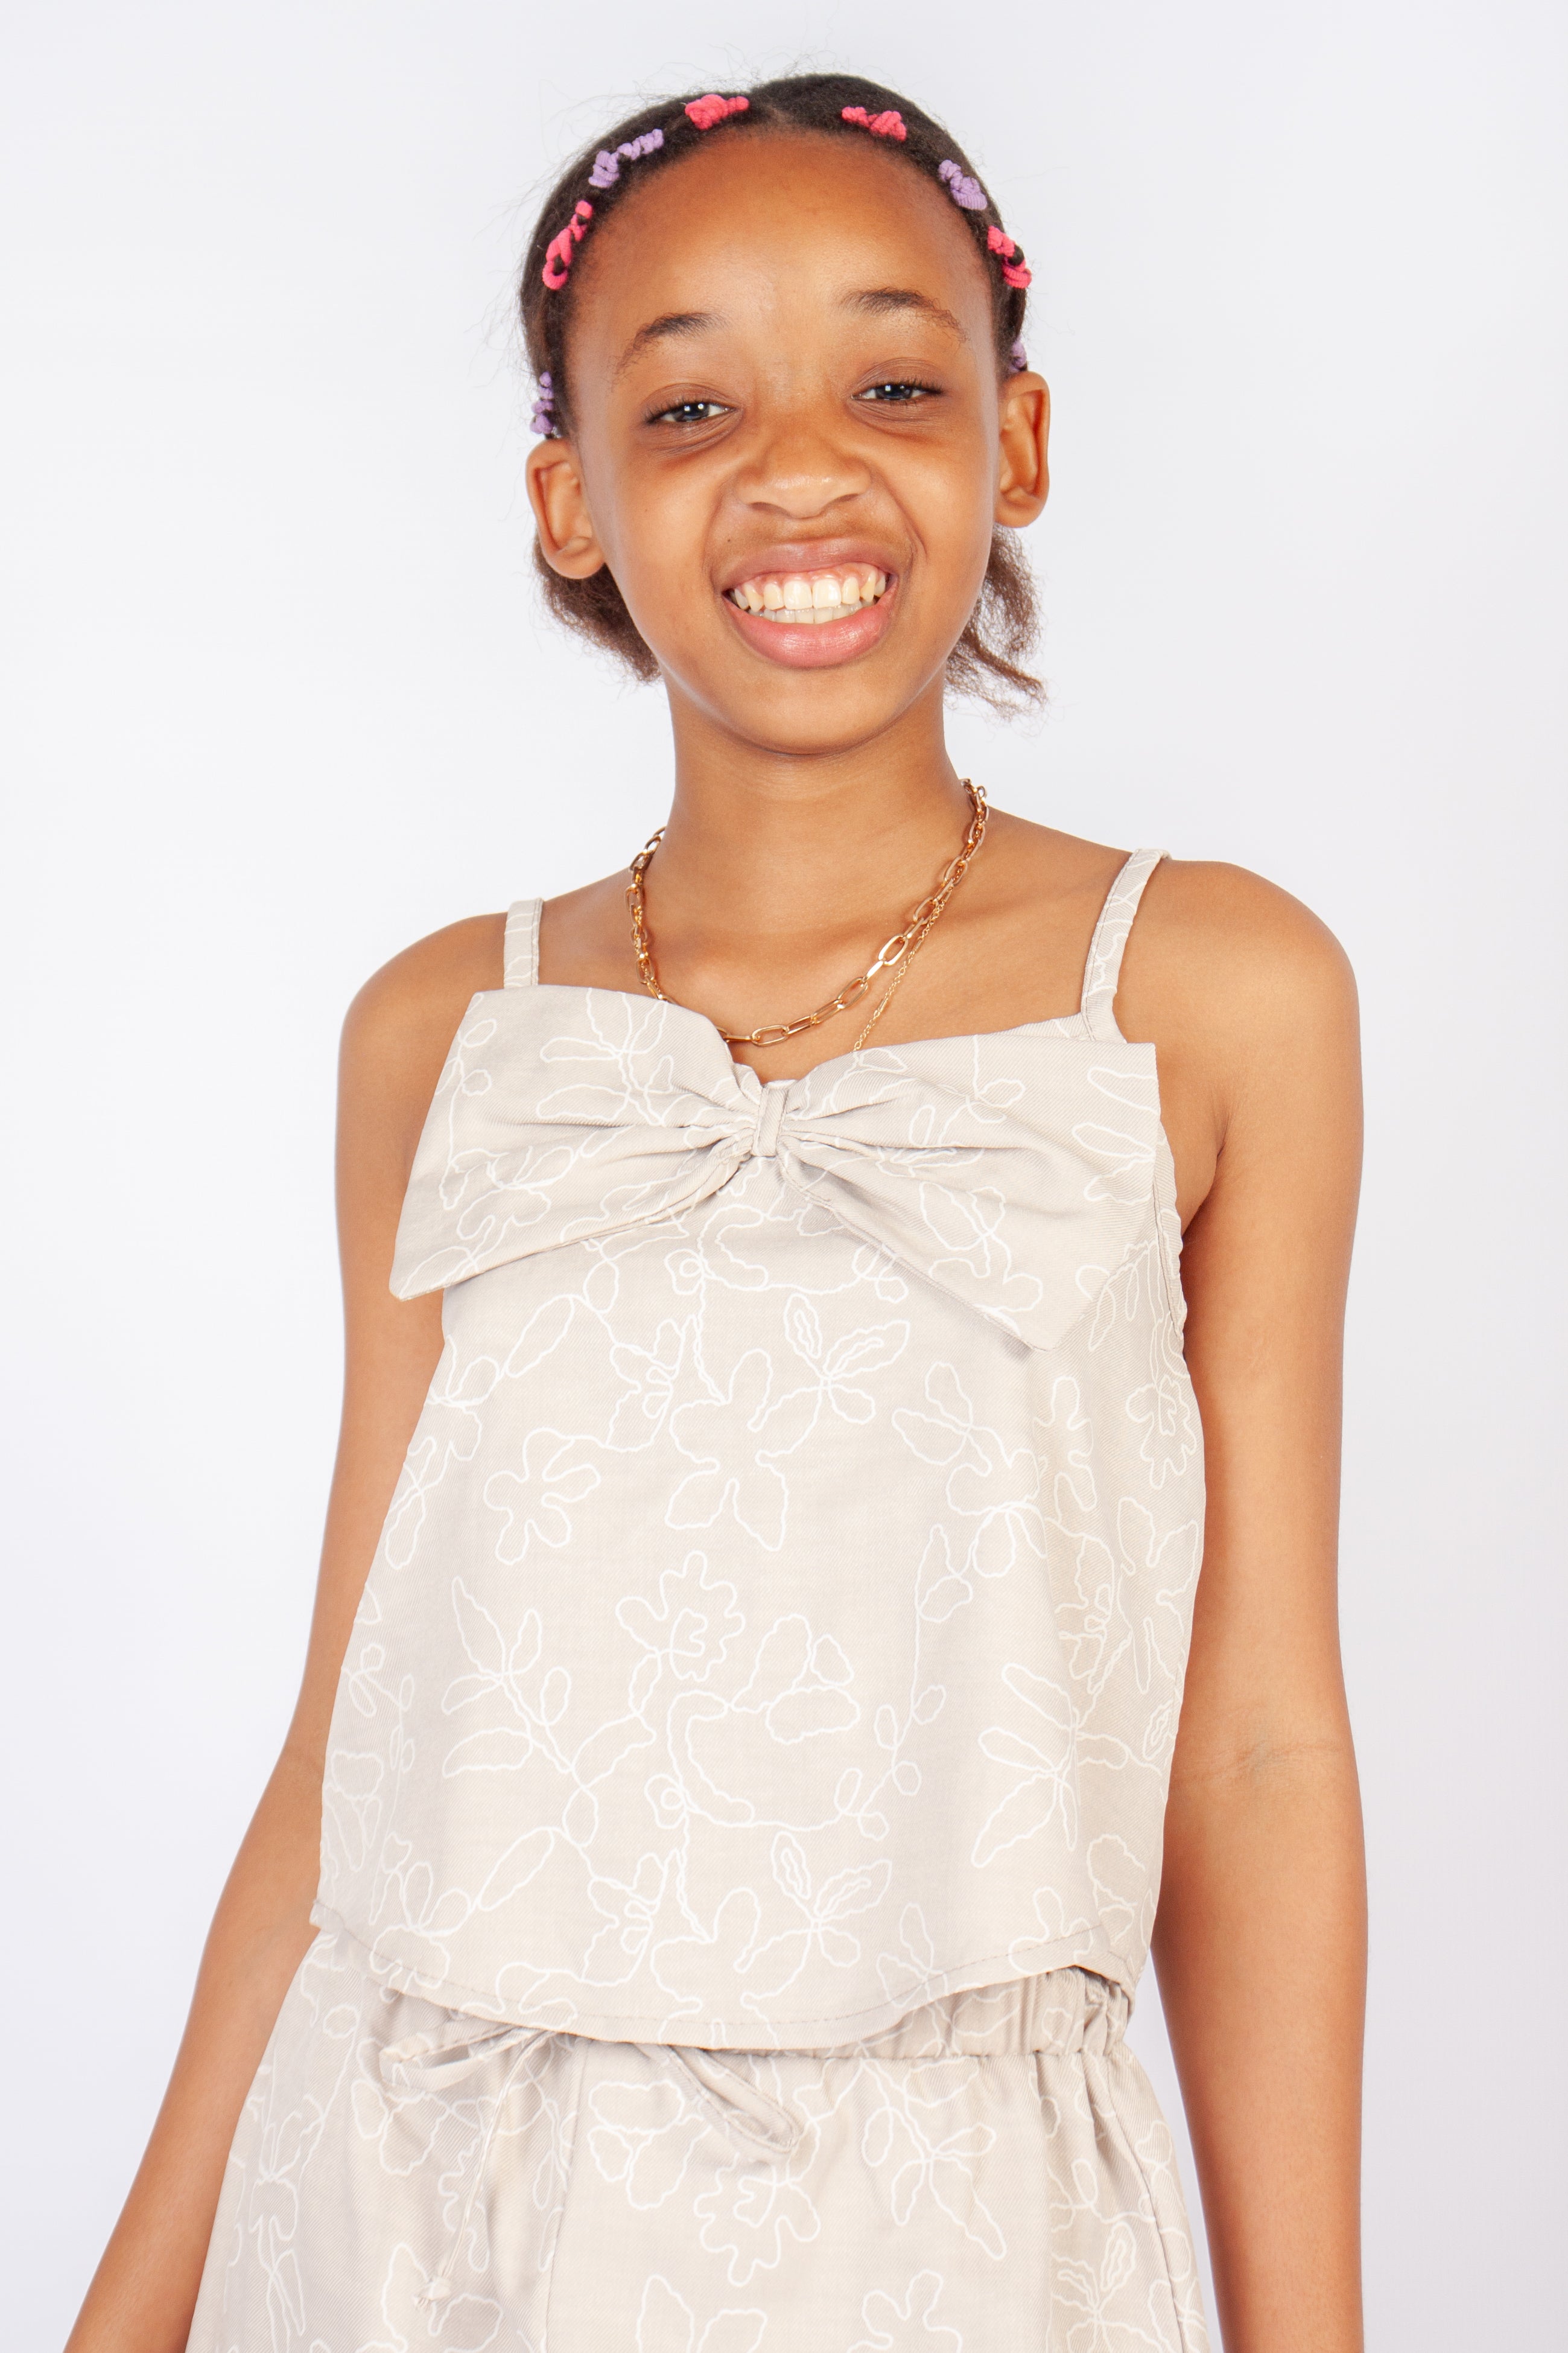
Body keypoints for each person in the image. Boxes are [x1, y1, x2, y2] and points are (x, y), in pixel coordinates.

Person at [67, 72, 1365, 2353]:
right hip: (426, 2218)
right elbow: (348, 1744)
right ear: (569, 498)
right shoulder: (441, 1031)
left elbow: (1253, 1751)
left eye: (892, 383)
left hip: (967, 2245)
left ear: (1016, 441)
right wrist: (124, 2313)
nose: (798, 468)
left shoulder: (1216, 990)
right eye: (688, 407)